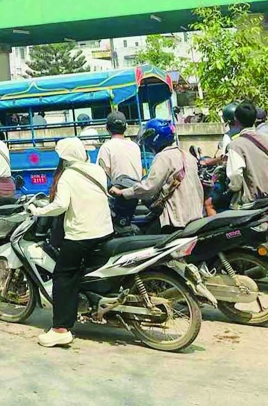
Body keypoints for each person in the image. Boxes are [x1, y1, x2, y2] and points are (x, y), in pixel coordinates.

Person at [30, 137, 113, 348]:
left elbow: (60, 205)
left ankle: (60, 329)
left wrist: (39, 211)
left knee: (63, 276)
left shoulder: (68, 175)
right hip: (104, 231)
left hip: (80, 235)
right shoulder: (97, 170)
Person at [111, 119, 203, 232]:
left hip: (177, 219)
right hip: (195, 215)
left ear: (155, 138)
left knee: (146, 235)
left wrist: (123, 192)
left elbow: (149, 188)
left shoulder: (163, 157)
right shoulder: (187, 155)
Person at [227, 101, 268, 207]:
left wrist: (231, 188)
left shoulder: (235, 145)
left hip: (253, 201)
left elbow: (235, 176)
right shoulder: (266, 138)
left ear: (236, 120)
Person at [95, 111, 142, 183]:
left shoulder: (106, 147)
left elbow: (102, 174)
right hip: (137, 189)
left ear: (107, 128)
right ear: (126, 127)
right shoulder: (135, 146)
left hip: (118, 191)